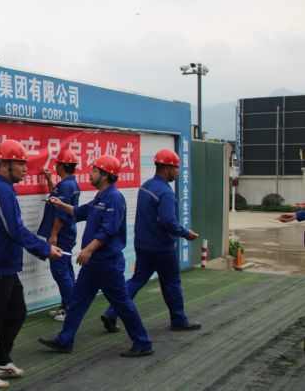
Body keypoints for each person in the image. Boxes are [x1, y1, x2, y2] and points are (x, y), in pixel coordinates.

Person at [38, 155, 154, 357]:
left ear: (105, 175)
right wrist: (59, 203)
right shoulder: (100, 197)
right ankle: (65, 340)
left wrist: (89, 249)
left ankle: (142, 342)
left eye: (94, 170)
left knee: (123, 304)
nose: (90, 173)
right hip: (92, 265)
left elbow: (109, 230)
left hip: (108, 264)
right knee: (77, 302)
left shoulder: (114, 198)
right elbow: (80, 211)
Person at [0, 139, 62, 389]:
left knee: (17, 312)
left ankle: (1, 360)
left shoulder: (2, 190)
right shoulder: (1, 191)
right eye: (20, 163)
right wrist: (44, 248)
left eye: (24, 163)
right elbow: (15, 229)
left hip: (5, 268)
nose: (25, 168)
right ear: (3, 165)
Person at [101, 149, 201, 334]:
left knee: (137, 280)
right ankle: (178, 320)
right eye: (176, 168)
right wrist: (185, 233)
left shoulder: (145, 186)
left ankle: (112, 312)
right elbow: (167, 221)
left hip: (143, 246)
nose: (178, 172)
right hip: (162, 248)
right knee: (171, 283)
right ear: (167, 168)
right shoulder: (166, 192)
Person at [37, 149, 81, 322]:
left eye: (57, 164)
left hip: (62, 235)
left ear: (61, 166)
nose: (55, 167)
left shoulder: (65, 186)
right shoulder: (69, 184)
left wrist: (54, 234)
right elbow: (56, 199)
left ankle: (70, 310)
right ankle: (67, 306)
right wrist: (49, 180)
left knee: (60, 272)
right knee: (66, 270)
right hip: (68, 234)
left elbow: (61, 213)